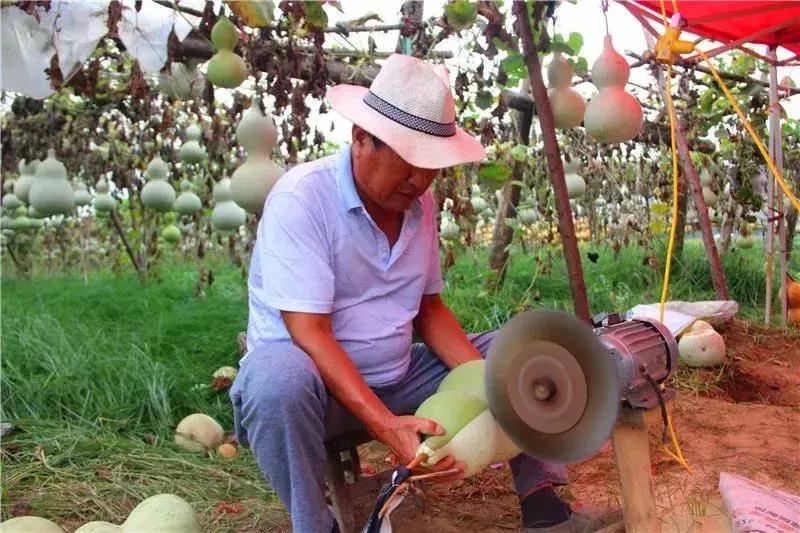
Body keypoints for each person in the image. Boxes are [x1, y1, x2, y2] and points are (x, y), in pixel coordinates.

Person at [231, 54, 612, 533]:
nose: (421, 180)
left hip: (399, 373)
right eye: (409, 162)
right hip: (316, 393)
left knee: (524, 353)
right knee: (275, 379)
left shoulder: (418, 203)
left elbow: (428, 311)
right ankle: (316, 526)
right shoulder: (301, 200)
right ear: (360, 139)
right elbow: (309, 332)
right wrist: (387, 425)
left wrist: (486, 381)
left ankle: (543, 507)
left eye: (431, 166)